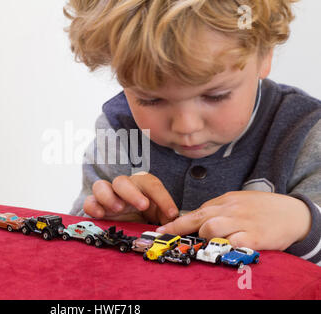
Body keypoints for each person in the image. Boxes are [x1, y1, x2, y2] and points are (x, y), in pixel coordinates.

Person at [64, 0, 320, 264]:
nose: (187, 127)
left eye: (215, 96)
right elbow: (75, 236)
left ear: (264, 55)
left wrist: (304, 222)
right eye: (151, 100)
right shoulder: (120, 132)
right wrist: (117, 221)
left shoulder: (307, 133)